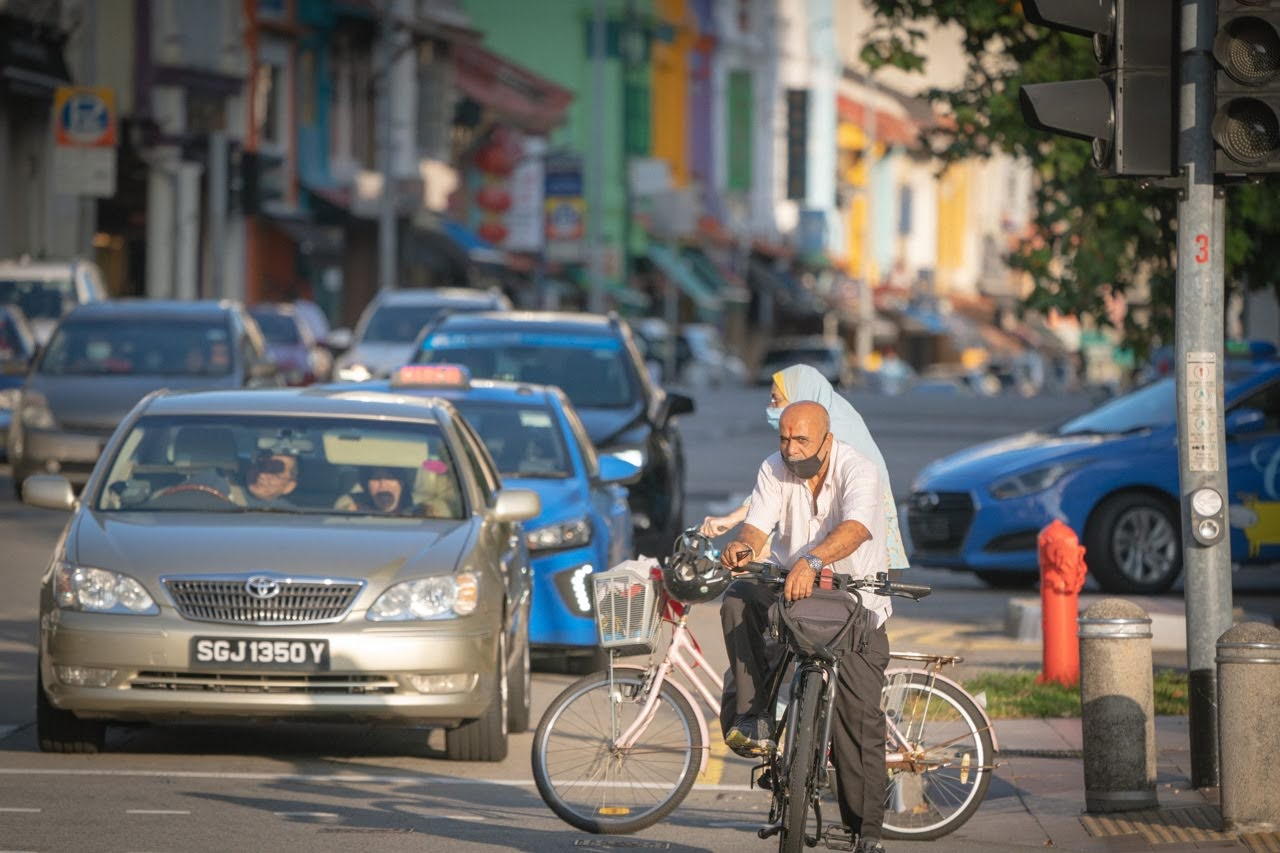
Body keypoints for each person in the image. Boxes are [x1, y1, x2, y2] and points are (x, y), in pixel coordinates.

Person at [720, 400, 891, 853]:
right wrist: (741, 546)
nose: (791, 450)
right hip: (788, 593)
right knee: (737, 599)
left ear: (826, 439)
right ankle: (753, 714)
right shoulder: (773, 468)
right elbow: (757, 529)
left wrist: (813, 560)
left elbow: (856, 527)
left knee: (858, 723)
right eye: (784, 438)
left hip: (856, 603)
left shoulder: (860, 469)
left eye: (801, 440)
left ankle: (867, 831)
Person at [702, 363, 909, 574]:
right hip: (818, 548)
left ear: (801, 394)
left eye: (777, 399)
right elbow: (770, 500)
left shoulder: (840, 444)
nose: (771, 407)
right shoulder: (790, 453)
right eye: (785, 440)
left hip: (856, 559)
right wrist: (741, 536)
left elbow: (849, 526)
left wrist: (800, 559)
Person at [335, 466, 412, 514]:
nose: (383, 485)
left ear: (401, 483)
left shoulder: (419, 518)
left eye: (390, 477)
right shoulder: (357, 512)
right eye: (376, 478)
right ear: (367, 486)